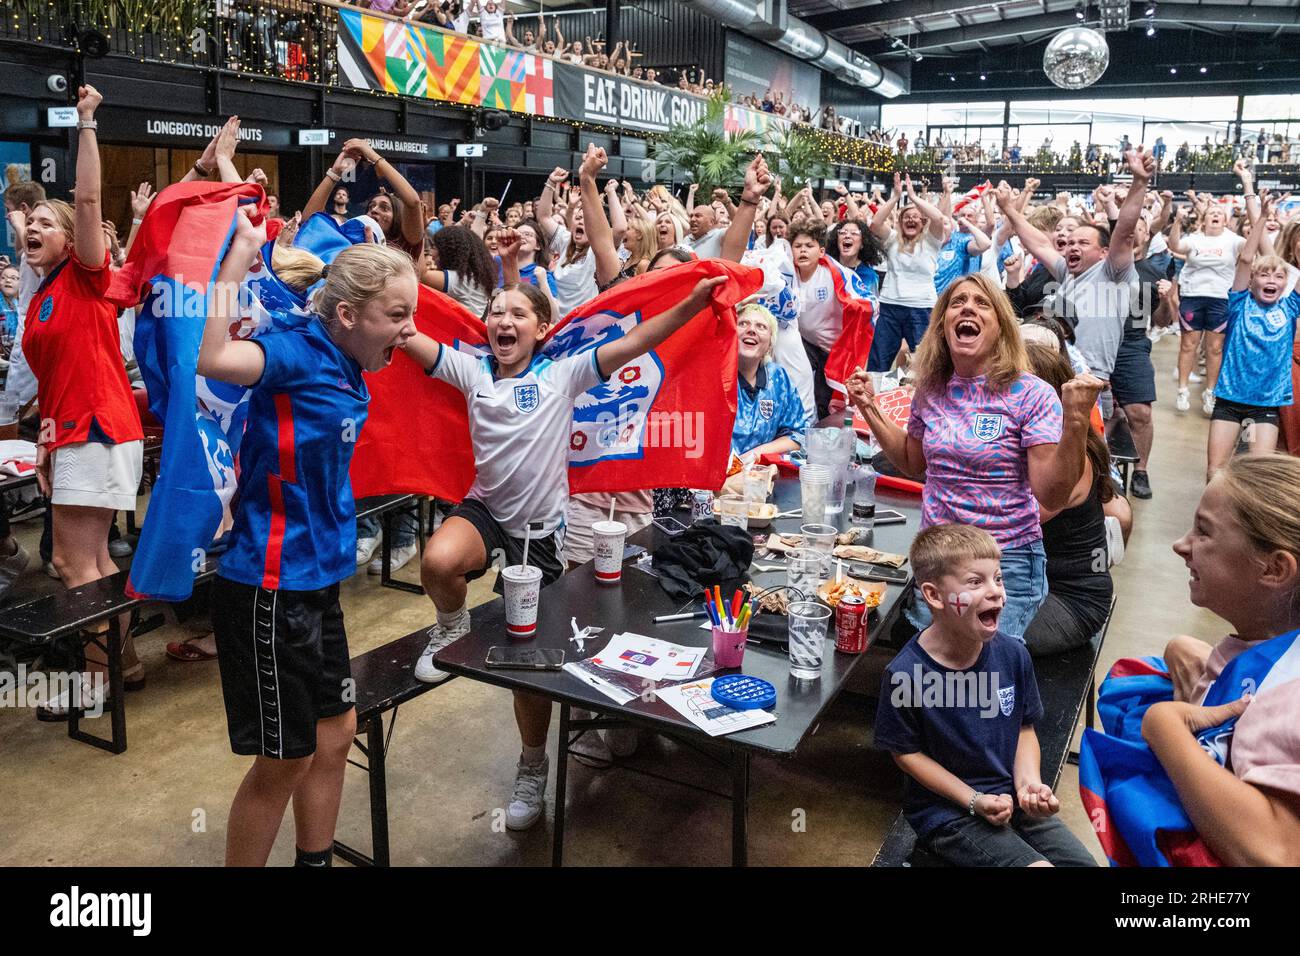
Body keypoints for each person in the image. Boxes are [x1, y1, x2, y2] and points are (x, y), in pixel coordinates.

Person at [405, 232, 730, 831]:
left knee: (528, 662)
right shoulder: (469, 368)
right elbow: (405, 332)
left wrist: (689, 306)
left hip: (544, 536)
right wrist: (375, 289)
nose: (503, 320)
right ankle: (447, 627)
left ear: (540, 327)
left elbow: (636, 341)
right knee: (437, 563)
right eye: (496, 312)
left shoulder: (565, 374)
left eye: (517, 313)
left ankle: (532, 767)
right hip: (487, 514)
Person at [201, 209, 420, 866]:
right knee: (285, 757)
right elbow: (212, 357)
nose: (408, 331)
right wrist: (238, 257)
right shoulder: (295, 352)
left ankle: (314, 861)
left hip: (319, 577)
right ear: (349, 315)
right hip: (268, 586)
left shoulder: (353, 363)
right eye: (396, 314)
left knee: (337, 732)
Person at [847, 273, 1103, 641]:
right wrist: (869, 407)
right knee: (934, 662)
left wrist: (1076, 421)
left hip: (1002, 561)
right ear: (942, 325)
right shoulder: (931, 389)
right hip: (937, 556)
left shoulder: (1031, 393)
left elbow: (1051, 494)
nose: (968, 307)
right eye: (957, 302)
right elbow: (912, 460)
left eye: (983, 303)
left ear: (1001, 328)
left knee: (981, 672)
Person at [24, 86, 147, 719]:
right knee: (95, 559)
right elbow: (51, 383)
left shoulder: (85, 274)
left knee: (71, 560)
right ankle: (121, 663)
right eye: (29, 224)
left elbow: (89, 199)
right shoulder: (45, 292)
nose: (33, 229)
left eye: (49, 223)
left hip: (96, 429)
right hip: (79, 431)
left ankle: (95, 687)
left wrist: (88, 122)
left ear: (76, 241)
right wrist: (46, 444)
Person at [874, 523, 1097, 867]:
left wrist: (1029, 786)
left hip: (1011, 799)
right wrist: (973, 800)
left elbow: (1024, 728)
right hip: (947, 813)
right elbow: (906, 754)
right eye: (976, 582)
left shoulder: (1013, 655)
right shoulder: (905, 675)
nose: (996, 592)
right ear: (934, 596)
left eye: (998, 578)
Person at [1131, 455, 1300, 865]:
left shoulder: (1288, 697)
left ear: (1275, 569)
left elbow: (1274, 853)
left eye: (1204, 532)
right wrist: (1184, 648)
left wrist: (1164, 725)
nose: (1181, 545)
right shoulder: (1264, 652)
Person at [995, 148, 1151, 421]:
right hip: (1050, 378)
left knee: (1084, 460)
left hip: (1088, 385)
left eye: (1083, 243)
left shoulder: (1114, 274)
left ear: (1104, 252)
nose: (1072, 247)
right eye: (1070, 243)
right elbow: (1040, 243)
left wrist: (1139, 183)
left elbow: (1124, 233)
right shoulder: (1067, 271)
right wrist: (1008, 208)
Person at [1022, 343, 1115, 656]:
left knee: (968, 633)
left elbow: (1007, 525)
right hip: (1028, 584)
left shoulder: (1071, 460)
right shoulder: (1033, 445)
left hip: (1068, 600)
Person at [1206, 196, 1300, 479]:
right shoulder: (1239, 303)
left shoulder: (1290, 306)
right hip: (1230, 399)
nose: (1271, 280)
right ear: (1251, 281)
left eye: (1278, 277)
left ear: (1285, 284)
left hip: (1267, 404)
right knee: (1215, 472)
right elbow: (1246, 257)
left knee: (1257, 478)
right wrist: (1261, 218)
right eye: (1264, 275)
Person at [867, 173, 946, 372]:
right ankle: (876, 397)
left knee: (924, 360)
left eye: (915, 217)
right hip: (890, 305)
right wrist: (895, 197)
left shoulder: (931, 241)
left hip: (921, 308)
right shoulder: (892, 239)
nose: (911, 220)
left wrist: (912, 197)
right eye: (906, 217)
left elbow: (938, 217)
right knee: (879, 359)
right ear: (901, 222)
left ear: (923, 223)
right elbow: (875, 224)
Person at [303, 140, 426, 263]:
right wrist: (335, 173)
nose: (374, 210)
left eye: (384, 208)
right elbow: (309, 224)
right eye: (371, 206)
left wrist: (372, 155)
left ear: (397, 218)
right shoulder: (349, 242)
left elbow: (413, 202)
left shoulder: (403, 247)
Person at [732, 304, 809, 459]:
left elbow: (799, 435)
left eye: (761, 326)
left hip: (761, 475)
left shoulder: (778, 378)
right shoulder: (715, 377)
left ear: (769, 345)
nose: (751, 330)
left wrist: (753, 455)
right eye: (743, 323)